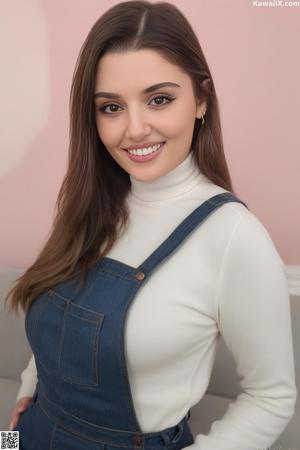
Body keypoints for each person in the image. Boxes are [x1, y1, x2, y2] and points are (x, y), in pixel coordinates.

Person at [5, 1, 297, 449]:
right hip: (27, 433)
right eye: (110, 107)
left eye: (159, 99)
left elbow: (272, 396)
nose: (134, 129)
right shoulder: (85, 205)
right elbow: (52, 324)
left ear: (201, 99)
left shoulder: (234, 238)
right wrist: (26, 397)